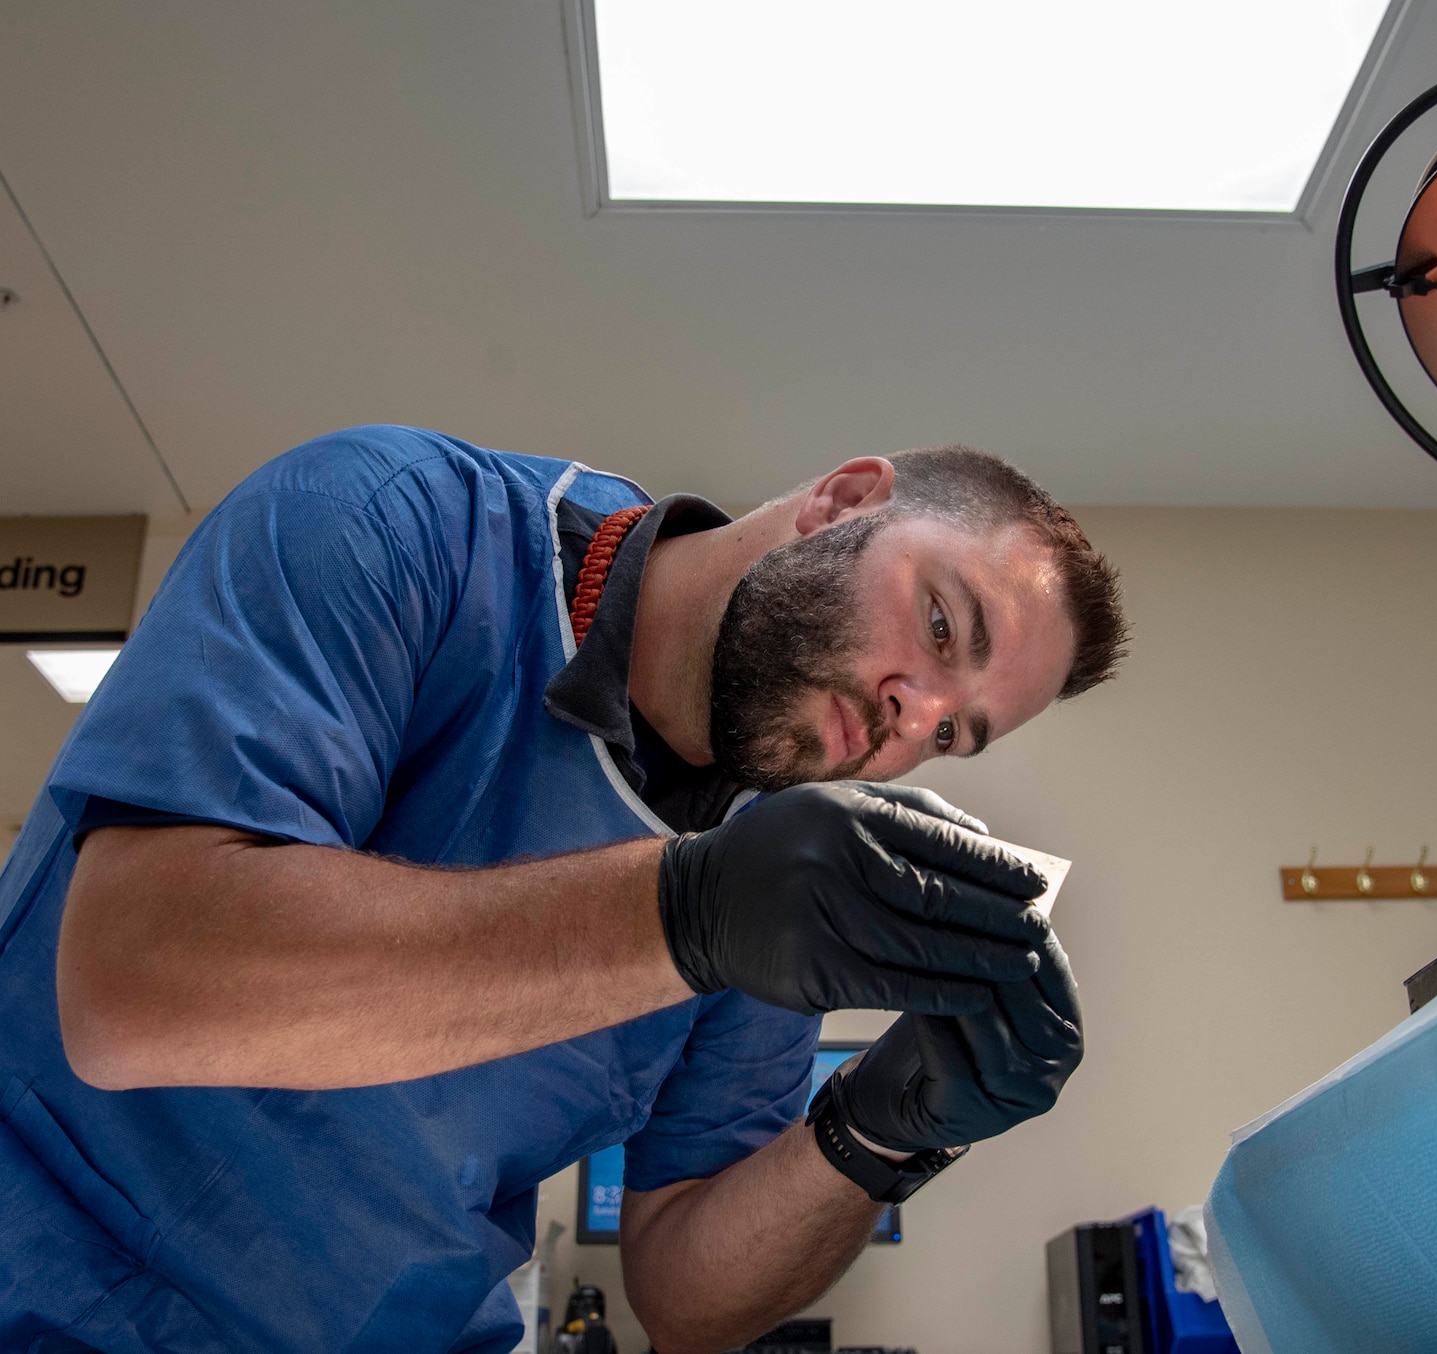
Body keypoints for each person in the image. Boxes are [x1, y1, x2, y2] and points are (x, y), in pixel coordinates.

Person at [0, 425, 1127, 1354]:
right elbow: (134, 984)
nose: (911, 717)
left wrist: (879, 1132)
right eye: (939, 625)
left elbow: (685, 1296)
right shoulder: (392, 523)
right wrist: (675, 914)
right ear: (841, 499)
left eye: (954, 734)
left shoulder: (777, 870)